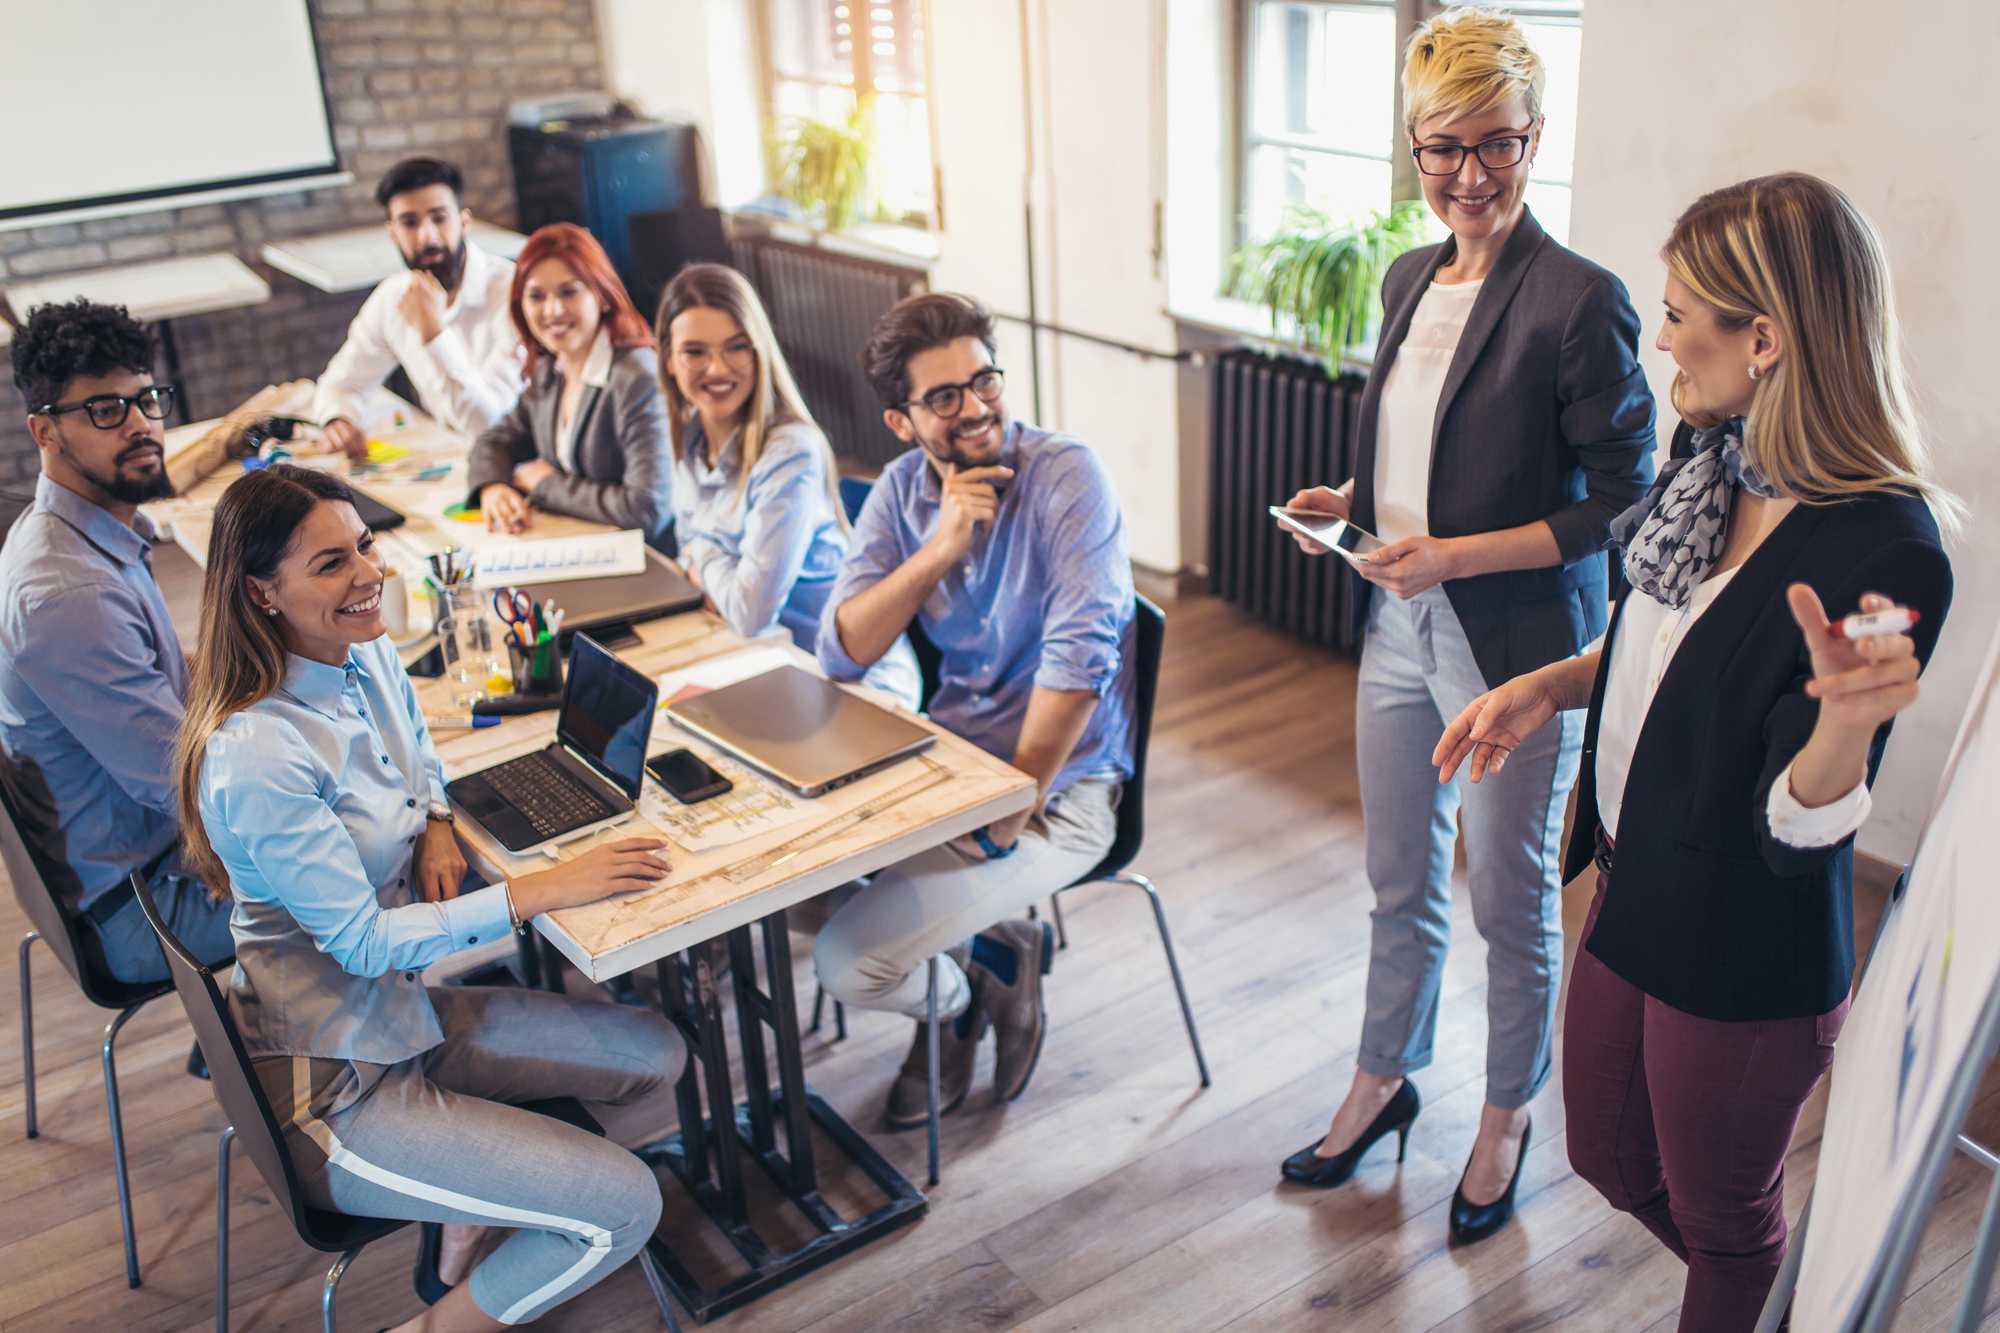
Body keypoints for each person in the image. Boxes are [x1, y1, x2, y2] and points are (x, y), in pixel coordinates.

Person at [1434, 173, 1956, 1331]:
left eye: (1678, 313)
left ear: (1762, 338)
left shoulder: (1886, 543)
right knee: (1607, 1158)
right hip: (1632, 881)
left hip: (1739, 943)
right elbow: (1652, 645)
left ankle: (1757, 1296)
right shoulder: (1710, 451)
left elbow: (1801, 822)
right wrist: (1548, 685)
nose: (1658, 333)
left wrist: (1845, 723)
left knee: (1724, 1230)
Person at [1275, 6, 1656, 1244]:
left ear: (1531, 136)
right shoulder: (1403, 277)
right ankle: (1380, 1080)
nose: (1468, 174)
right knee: (1397, 881)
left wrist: (1450, 553)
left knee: (1509, 901)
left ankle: (1504, 1115)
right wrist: (1359, 503)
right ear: (1413, 148)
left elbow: (1619, 500)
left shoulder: (1578, 298)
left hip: (1519, 654)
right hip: (1397, 636)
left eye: (1493, 143)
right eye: (1441, 147)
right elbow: (1429, 447)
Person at [176, 463, 685, 1333]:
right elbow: (366, 944)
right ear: (263, 590)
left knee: (657, 1050)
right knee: (628, 1207)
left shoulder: (362, 648)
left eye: (364, 546)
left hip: (402, 1018)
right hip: (338, 1082)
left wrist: (440, 815)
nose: (368, 574)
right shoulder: (258, 753)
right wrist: (532, 893)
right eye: (330, 563)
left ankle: (464, 1207)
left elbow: (414, 738)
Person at [812, 292, 1138, 1128]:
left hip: (1059, 791)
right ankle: (989, 966)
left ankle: (955, 1001)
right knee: (786, 889)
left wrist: (1012, 803)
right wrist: (940, 547)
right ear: (900, 419)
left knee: (849, 962)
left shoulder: (1068, 475)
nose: (977, 407)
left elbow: (1079, 662)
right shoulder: (901, 490)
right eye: (945, 397)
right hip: (947, 770)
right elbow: (843, 647)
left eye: (984, 380)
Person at [0, 299, 233, 989]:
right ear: (45, 430)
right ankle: (350, 1067)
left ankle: (277, 1030)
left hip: (151, 861)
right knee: (388, 853)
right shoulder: (67, 593)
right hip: (146, 905)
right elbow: (194, 791)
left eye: (145, 399)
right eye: (104, 409)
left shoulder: (81, 534)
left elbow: (173, 683)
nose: (139, 425)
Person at [656, 262, 918, 702]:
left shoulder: (790, 450)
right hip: (764, 665)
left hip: (852, 683)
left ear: (759, 351)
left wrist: (702, 555)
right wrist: (706, 567)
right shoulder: (688, 438)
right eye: (695, 351)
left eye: (736, 347)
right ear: (668, 359)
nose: (717, 369)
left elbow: (748, 611)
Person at [465, 223, 674, 550]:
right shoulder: (550, 367)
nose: (553, 310)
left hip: (646, 563)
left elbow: (647, 510)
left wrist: (547, 483)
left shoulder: (637, 377)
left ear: (603, 296)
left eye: (569, 291)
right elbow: (495, 442)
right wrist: (493, 487)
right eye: (536, 296)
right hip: (579, 546)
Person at [312, 157, 525, 460]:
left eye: (439, 218)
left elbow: (490, 428)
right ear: (392, 233)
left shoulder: (514, 293)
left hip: (513, 466)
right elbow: (342, 383)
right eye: (409, 223)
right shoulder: (393, 296)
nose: (427, 235)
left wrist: (433, 334)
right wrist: (339, 419)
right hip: (447, 462)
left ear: (464, 223)